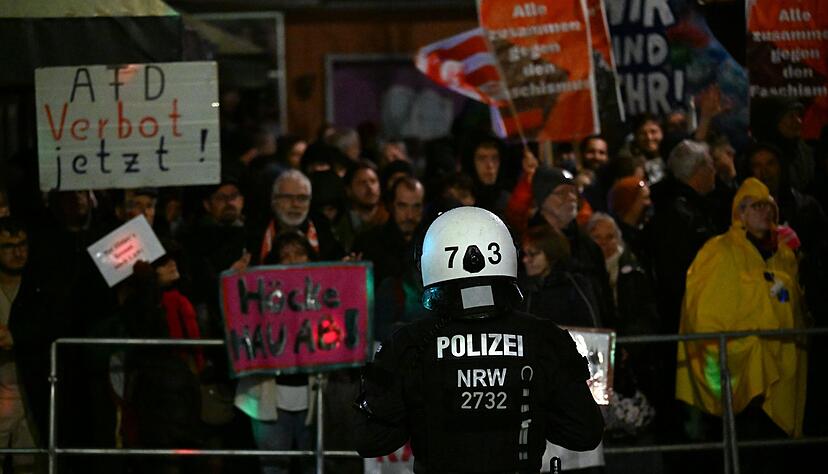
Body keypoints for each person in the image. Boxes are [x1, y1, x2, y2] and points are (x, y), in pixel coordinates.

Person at [353, 206, 604, 473]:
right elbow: (584, 433)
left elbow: (370, 439)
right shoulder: (544, 337)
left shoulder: (409, 343)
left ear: (431, 260)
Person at [676, 178, 808, 472]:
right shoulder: (718, 251)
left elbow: (794, 303)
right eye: (755, 206)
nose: (764, 211)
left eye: (767, 205)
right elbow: (704, 309)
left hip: (779, 362)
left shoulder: (783, 254)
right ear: (740, 212)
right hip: (738, 367)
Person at [236, 232, 318, 474]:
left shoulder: (322, 296)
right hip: (267, 397)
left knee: (313, 466)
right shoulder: (259, 296)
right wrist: (237, 280)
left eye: (299, 254)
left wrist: (348, 279)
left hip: (313, 398)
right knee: (273, 468)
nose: (293, 261)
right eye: (285, 255)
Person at [0, 217, 55, 474]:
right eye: (9, 246)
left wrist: (19, 337)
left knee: (30, 465)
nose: (19, 252)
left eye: (22, 244)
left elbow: (52, 326)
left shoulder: (40, 288)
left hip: (30, 390)